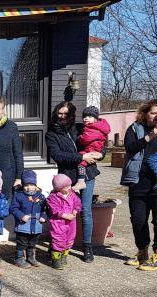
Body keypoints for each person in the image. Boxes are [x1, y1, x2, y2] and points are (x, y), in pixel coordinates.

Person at [123, 99, 157, 271]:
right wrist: (150, 136)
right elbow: (130, 147)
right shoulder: (135, 128)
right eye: (153, 112)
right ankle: (142, 253)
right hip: (139, 181)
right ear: (145, 113)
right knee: (138, 219)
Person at [46, 101, 103, 263]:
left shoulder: (80, 127)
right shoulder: (51, 133)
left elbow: (97, 140)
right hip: (66, 177)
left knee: (85, 210)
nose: (63, 116)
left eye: (66, 113)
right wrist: (81, 157)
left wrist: (101, 153)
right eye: (60, 113)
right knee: (61, 212)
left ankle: (87, 247)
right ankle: (57, 244)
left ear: (71, 114)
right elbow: (57, 155)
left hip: (87, 175)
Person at [10, 170, 46, 268]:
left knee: (33, 243)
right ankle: (19, 259)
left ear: (36, 184)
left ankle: (31, 257)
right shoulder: (18, 196)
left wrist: (43, 217)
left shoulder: (41, 196)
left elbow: (45, 209)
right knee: (22, 243)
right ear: (23, 185)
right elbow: (13, 208)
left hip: (36, 226)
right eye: (26, 185)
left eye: (31, 184)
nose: (29, 187)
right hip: (23, 225)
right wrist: (21, 216)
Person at [46, 174, 82, 270]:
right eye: (66, 187)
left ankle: (64, 257)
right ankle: (56, 260)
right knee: (58, 240)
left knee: (69, 239)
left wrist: (75, 211)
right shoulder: (53, 197)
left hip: (71, 223)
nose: (69, 188)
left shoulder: (72, 194)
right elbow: (54, 209)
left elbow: (77, 204)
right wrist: (65, 215)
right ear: (59, 188)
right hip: (58, 223)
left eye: (69, 185)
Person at [74, 106, 111, 191]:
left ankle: (81, 181)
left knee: (81, 163)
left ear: (95, 119)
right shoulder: (98, 127)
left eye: (89, 117)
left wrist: (80, 138)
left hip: (92, 149)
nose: (86, 119)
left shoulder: (93, 128)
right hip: (95, 148)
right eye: (84, 117)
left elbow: (86, 138)